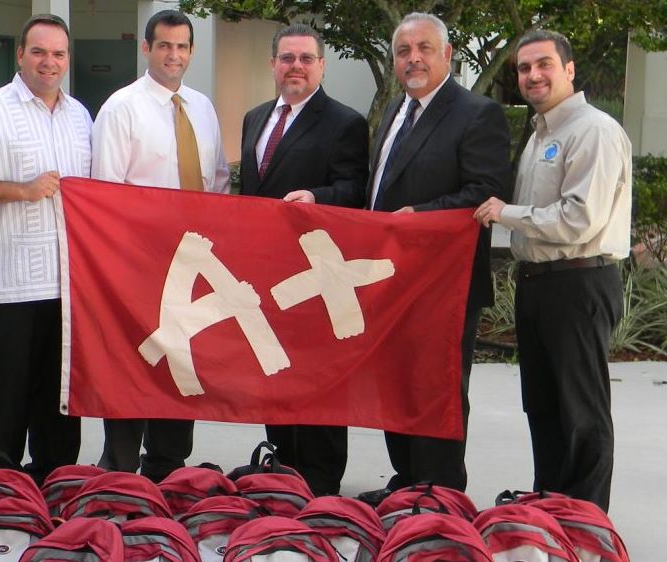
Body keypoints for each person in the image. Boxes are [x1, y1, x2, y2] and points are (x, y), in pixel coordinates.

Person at [357, 12, 511, 506]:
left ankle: (440, 491)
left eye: (424, 48)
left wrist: (418, 216)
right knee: (396, 384)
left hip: (443, 283)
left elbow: (485, 192)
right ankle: (407, 479)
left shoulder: (476, 112)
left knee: (435, 388)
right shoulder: (395, 111)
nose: (413, 58)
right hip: (390, 279)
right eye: (404, 51)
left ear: (447, 54)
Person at [474, 30, 631, 512]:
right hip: (539, 284)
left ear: (569, 69)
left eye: (543, 64)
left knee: (580, 412)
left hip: (579, 281)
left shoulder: (593, 131)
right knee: (543, 408)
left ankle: (585, 523)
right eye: (523, 68)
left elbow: (580, 218)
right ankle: (551, 510)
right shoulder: (542, 133)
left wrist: (505, 213)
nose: (532, 75)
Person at [0, 14, 89, 485]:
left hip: (66, 281)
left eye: (59, 53)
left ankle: (57, 478)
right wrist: (22, 190)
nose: (49, 62)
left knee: (59, 392)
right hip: (8, 279)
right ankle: (4, 486)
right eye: (39, 51)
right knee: (8, 391)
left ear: (68, 59)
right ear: (20, 54)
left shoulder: (79, 115)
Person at [91, 9, 229, 481]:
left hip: (191, 259)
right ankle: (121, 467)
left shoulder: (202, 107)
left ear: (191, 51)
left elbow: (219, 183)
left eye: (183, 46)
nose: (174, 55)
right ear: (146, 48)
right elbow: (106, 193)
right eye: (165, 45)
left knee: (182, 360)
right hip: (138, 262)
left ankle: (168, 464)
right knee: (135, 361)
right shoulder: (121, 108)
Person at [239, 23, 369, 496]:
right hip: (267, 271)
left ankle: (320, 477)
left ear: (321, 65)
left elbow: (356, 190)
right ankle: (283, 463)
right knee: (275, 370)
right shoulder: (255, 118)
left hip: (316, 272)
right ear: (273, 63)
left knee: (319, 376)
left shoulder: (345, 121)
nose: (296, 66)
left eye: (306, 58)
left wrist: (317, 196)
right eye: (287, 58)